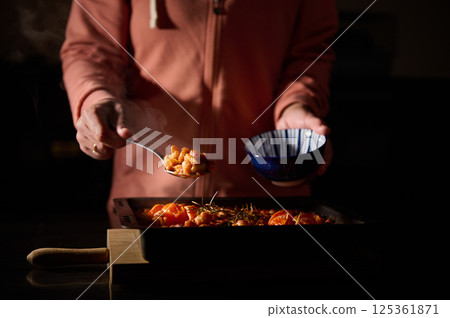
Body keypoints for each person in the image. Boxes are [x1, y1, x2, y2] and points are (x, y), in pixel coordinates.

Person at [60, 0, 338, 228]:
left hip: (268, 206)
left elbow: (311, 53)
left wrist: (296, 105)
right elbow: (91, 46)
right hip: (147, 203)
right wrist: (95, 97)